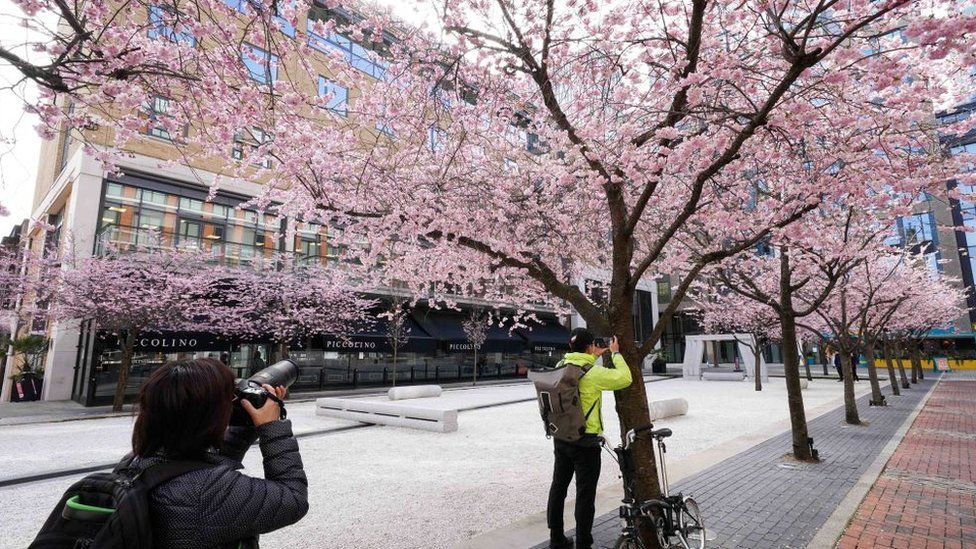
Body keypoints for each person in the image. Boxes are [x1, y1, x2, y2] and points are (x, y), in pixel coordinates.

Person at [130, 358, 308, 548]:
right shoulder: (206, 493)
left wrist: (246, 425)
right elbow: (293, 499)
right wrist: (271, 427)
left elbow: (202, 466)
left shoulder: (137, 462)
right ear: (209, 415)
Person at [548, 329, 633, 549]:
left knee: (558, 487)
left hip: (562, 437)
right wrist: (614, 354)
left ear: (570, 347)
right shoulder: (593, 373)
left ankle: (556, 538)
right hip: (586, 442)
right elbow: (625, 378)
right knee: (585, 494)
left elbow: (580, 364)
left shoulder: (560, 367)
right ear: (589, 347)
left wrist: (592, 354)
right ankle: (583, 543)